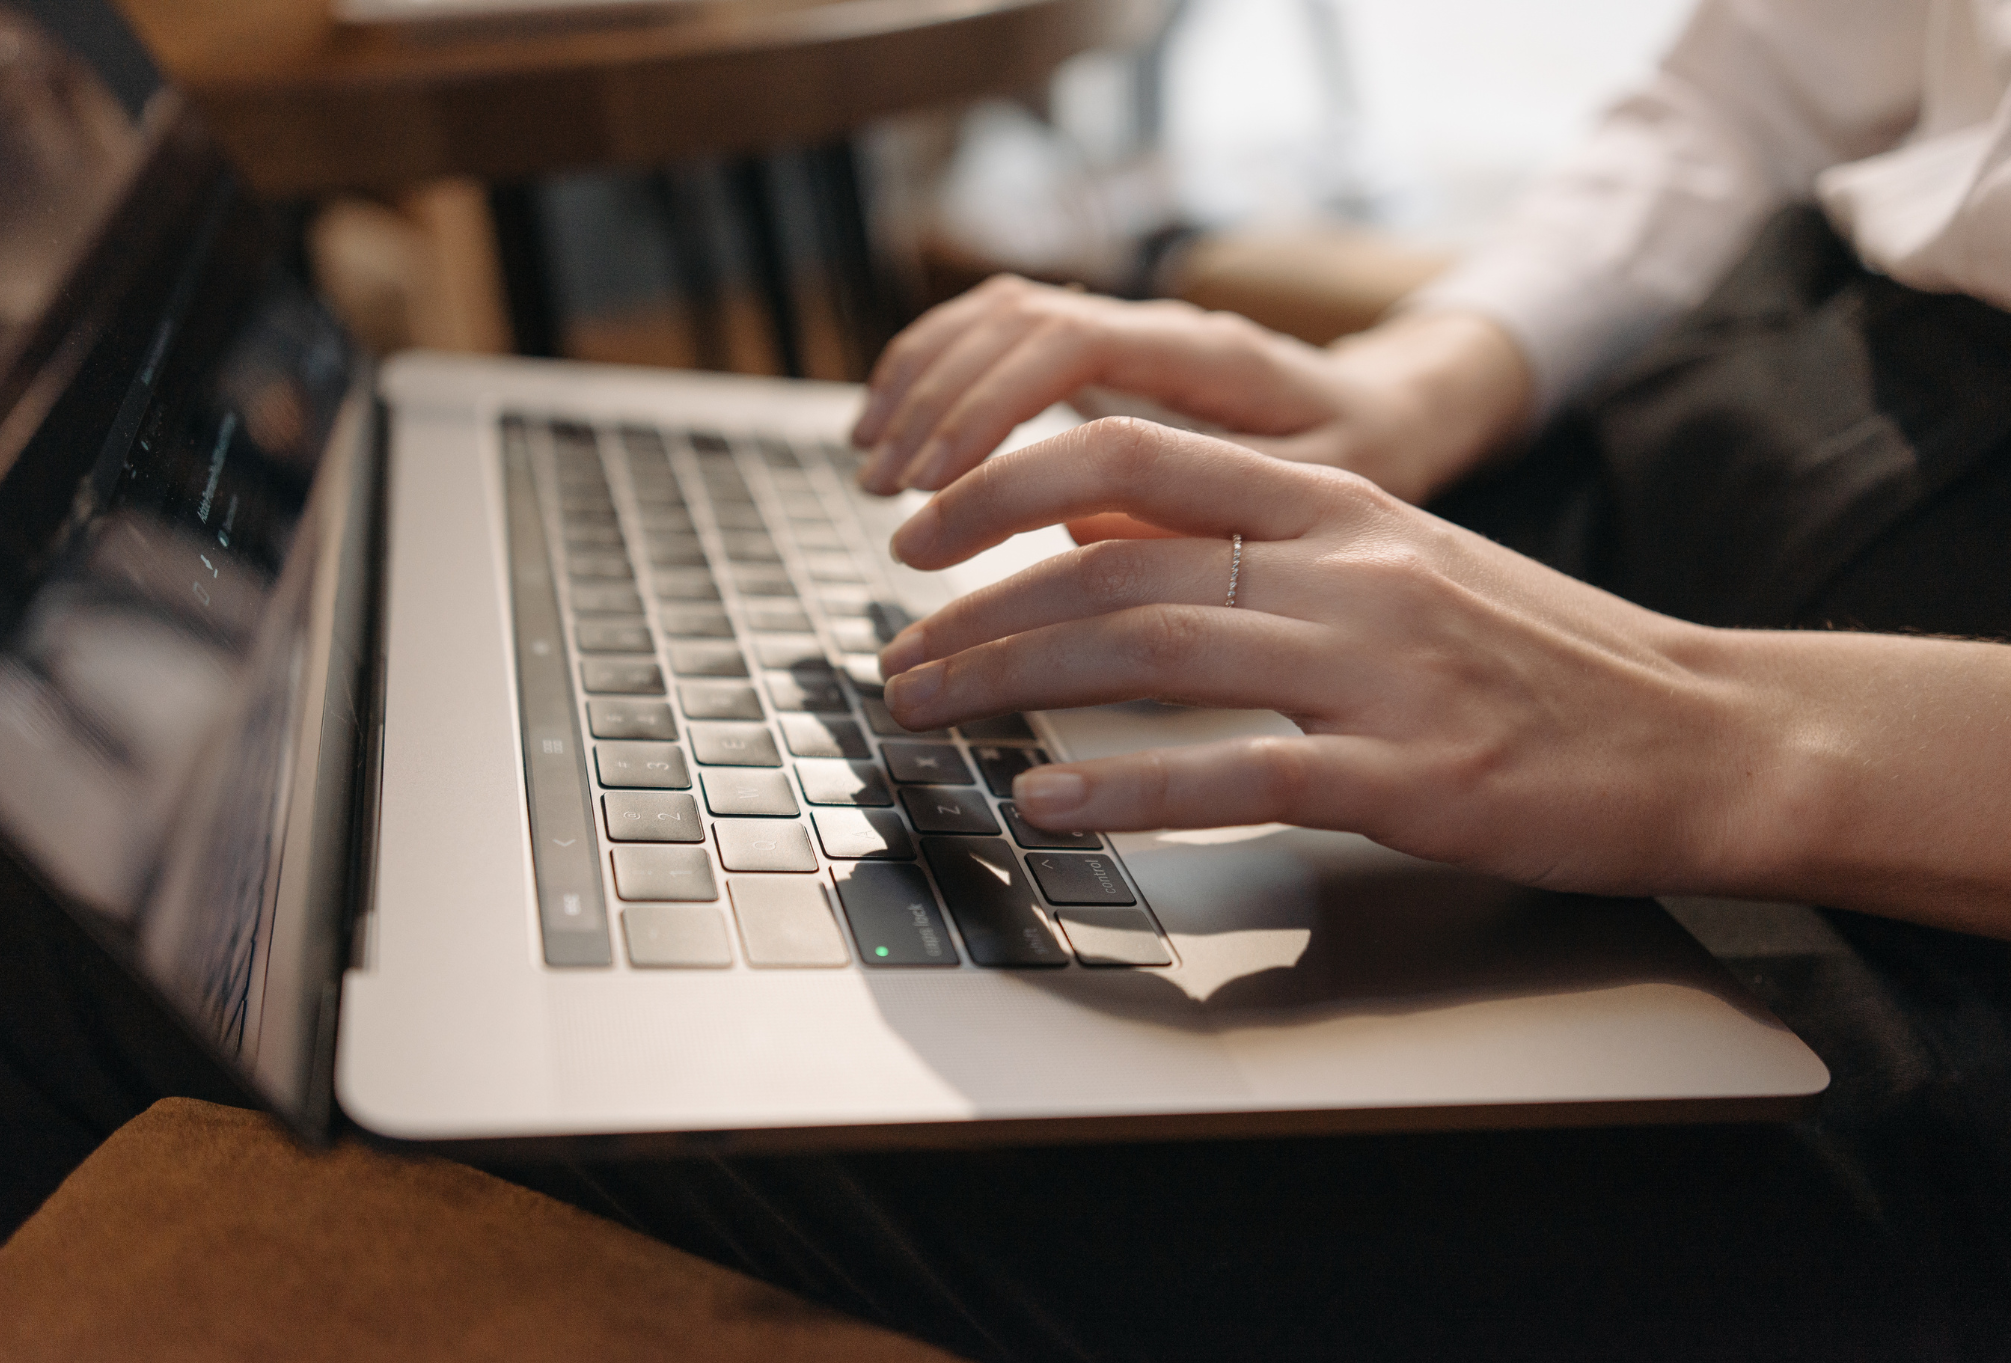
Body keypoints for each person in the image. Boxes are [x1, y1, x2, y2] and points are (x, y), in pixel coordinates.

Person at [537, 2, 2011, 1359]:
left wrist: (1729, 740)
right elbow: (1771, 78)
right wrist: (1420, 381)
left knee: (630, 1107)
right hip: (1765, 398)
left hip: (1926, 812)